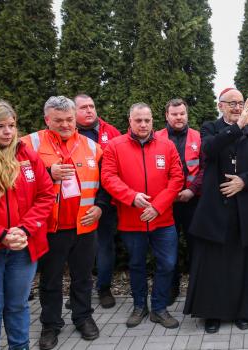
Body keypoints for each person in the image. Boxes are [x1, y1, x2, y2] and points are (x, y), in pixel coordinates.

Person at [22, 96, 107, 349]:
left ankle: (83, 317)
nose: (66, 125)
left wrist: (100, 208)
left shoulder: (92, 147)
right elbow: (18, 185)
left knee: (83, 277)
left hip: (85, 225)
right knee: (50, 280)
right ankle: (50, 325)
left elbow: (106, 183)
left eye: (70, 119)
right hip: (51, 227)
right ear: (47, 119)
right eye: (58, 121)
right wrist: (48, 174)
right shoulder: (29, 144)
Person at [184, 88, 248, 333]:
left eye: (240, 103)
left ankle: (244, 312)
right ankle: (211, 314)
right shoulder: (210, 128)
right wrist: (236, 127)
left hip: (244, 210)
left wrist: (244, 180)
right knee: (214, 266)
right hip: (215, 211)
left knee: (242, 265)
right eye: (231, 103)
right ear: (220, 105)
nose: (236, 107)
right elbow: (208, 150)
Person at [0, 100, 54, 350]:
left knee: (18, 306)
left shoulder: (25, 153)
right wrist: (0, 235)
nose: (8, 131)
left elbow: (46, 194)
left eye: (11, 125)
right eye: (0, 126)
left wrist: (25, 229)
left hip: (23, 248)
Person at [101, 103, 183, 329]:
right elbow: (107, 177)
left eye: (147, 120)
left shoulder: (167, 146)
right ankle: (140, 306)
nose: (144, 124)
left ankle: (158, 308)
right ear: (130, 121)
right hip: (131, 219)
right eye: (138, 120)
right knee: (136, 265)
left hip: (163, 219)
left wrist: (157, 206)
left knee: (167, 264)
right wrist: (131, 196)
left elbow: (177, 179)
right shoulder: (115, 146)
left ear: (153, 120)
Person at [74, 94, 121, 309]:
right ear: (73, 112)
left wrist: (104, 202)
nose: (89, 110)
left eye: (91, 106)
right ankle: (79, 292)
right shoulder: (65, 133)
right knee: (75, 250)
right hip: (73, 204)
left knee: (104, 246)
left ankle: (104, 288)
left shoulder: (110, 132)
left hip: (105, 203)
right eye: (83, 107)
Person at [156, 98, 203, 305]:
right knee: (168, 249)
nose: (179, 117)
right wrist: (168, 195)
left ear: (187, 115)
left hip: (192, 201)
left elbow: (204, 168)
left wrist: (192, 190)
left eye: (182, 113)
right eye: (174, 114)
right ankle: (171, 288)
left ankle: (195, 290)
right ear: (167, 116)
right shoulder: (156, 137)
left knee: (195, 247)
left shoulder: (198, 137)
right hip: (166, 204)